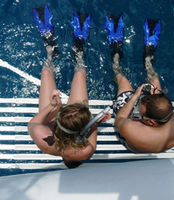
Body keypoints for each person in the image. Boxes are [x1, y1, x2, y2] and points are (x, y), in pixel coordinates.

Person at [28, 5, 110, 168]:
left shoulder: (45, 141)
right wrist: (93, 123)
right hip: (74, 124)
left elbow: (33, 124)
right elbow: (92, 126)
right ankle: (79, 51)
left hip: (51, 122)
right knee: (79, 75)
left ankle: (51, 50)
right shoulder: (85, 151)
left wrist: (52, 107)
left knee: (46, 73)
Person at [105, 16, 174, 153]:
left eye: (140, 110)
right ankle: (148, 58)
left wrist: (134, 97)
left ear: (151, 122)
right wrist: (159, 97)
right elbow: (167, 112)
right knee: (155, 81)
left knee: (123, 80)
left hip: (131, 135)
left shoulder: (134, 130)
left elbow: (120, 119)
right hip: (157, 120)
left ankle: (116, 52)